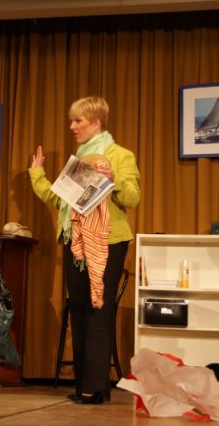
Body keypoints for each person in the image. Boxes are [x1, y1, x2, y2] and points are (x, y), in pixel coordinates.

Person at [29, 96, 140, 404]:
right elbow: (60, 201)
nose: (72, 126)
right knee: (79, 310)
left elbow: (132, 197)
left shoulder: (119, 155)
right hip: (74, 239)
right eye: (72, 120)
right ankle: (86, 386)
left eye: (78, 120)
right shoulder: (80, 159)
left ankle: (94, 387)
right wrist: (37, 174)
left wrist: (114, 180)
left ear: (96, 122)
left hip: (107, 240)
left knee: (98, 310)